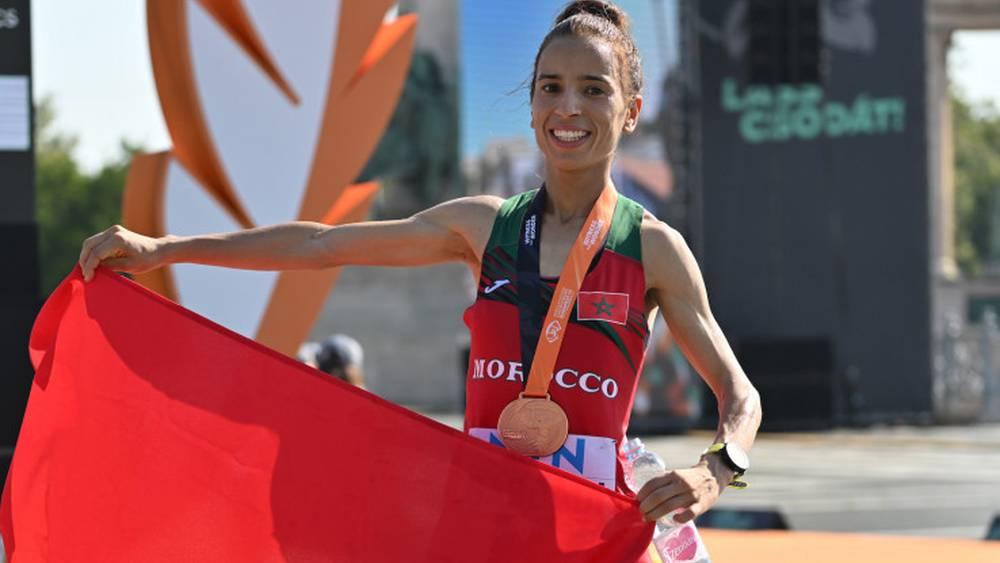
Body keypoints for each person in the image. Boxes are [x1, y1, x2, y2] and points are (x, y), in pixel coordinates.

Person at [78, 0, 760, 544]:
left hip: (590, 530)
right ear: (531, 107)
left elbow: (740, 396)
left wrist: (716, 468)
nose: (569, 107)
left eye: (594, 89)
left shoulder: (651, 248)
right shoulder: (484, 226)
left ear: (632, 112)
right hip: (480, 521)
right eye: (551, 87)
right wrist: (165, 248)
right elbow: (320, 245)